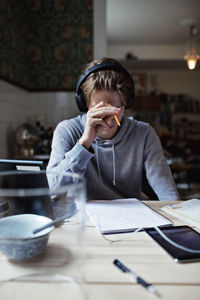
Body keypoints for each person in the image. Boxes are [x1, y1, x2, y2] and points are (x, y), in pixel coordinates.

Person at [47, 57, 180, 201]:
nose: (110, 119)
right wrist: (84, 143)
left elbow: (166, 190)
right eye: (101, 109)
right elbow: (52, 190)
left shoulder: (144, 133)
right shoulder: (67, 130)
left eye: (118, 109)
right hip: (82, 218)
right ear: (85, 104)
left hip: (130, 216)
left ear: (126, 104)